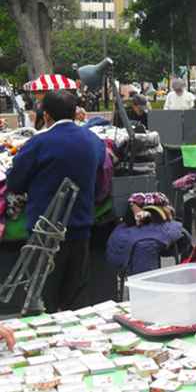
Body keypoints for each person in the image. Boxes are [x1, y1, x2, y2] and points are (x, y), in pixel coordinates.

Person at [6, 91, 106, 311]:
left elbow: (14, 181)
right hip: (81, 229)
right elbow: (101, 174)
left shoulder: (39, 142)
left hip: (45, 234)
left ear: (47, 115)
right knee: (75, 299)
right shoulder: (93, 140)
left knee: (44, 299)